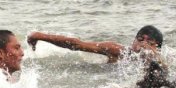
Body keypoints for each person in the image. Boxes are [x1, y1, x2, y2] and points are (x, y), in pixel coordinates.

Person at [27, 25, 164, 64]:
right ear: (133, 41)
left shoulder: (160, 59)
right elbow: (77, 44)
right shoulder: (117, 51)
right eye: (139, 40)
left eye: (149, 43)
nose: (142, 45)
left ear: (156, 46)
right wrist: (40, 36)